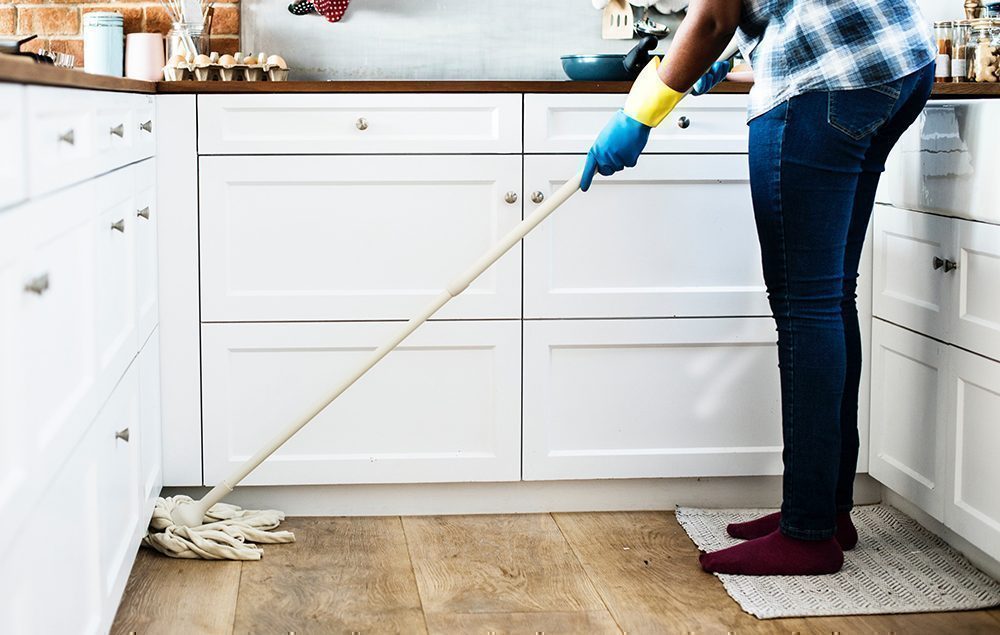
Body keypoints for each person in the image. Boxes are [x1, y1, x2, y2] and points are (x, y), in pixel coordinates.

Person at [582, 0, 935, 576]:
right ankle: (824, 510)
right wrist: (748, 55)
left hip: (828, 81)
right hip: (896, 66)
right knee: (829, 296)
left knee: (807, 306)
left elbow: (714, 16)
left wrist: (640, 113)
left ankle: (806, 536)